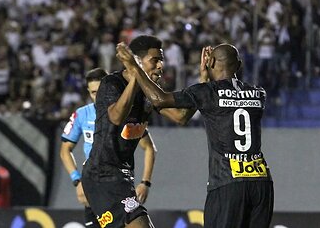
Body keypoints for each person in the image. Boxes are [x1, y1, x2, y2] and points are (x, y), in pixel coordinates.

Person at [116, 43, 274, 228]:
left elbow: (160, 99)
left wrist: (134, 67)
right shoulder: (258, 93)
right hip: (262, 183)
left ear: (211, 62)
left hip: (227, 183)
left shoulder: (207, 92)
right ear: (239, 66)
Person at [82, 35, 177, 228]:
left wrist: (204, 80)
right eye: (155, 60)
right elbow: (116, 117)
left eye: (161, 60)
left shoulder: (150, 91)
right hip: (102, 174)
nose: (160, 66)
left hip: (123, 176)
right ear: (138, 61)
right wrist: (136, 76)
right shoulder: (111, 84)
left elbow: (179, 116)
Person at [60, 67, 158, 227]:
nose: (98, 97)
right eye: (93, 92)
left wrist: (145, 182)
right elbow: (65, 150)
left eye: (100, 91)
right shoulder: (82, 114)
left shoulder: (126, 113)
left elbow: (148, 147)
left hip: (117, 183)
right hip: (94, 183)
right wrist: (77, 181)